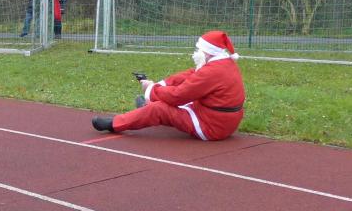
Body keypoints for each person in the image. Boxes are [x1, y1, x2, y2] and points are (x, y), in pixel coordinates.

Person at [92, 30, 245, 141]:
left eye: (200, 49)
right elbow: (190, 75)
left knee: (159, 109)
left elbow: (178, 96)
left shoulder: (212, 71)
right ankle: (146, 108)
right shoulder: (223, 63)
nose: (196, 52)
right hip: (222, 120)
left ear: (209, 52)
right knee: (167, 104)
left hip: (212, 126)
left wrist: (151, 89)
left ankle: (115, 123)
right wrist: (161, 84)